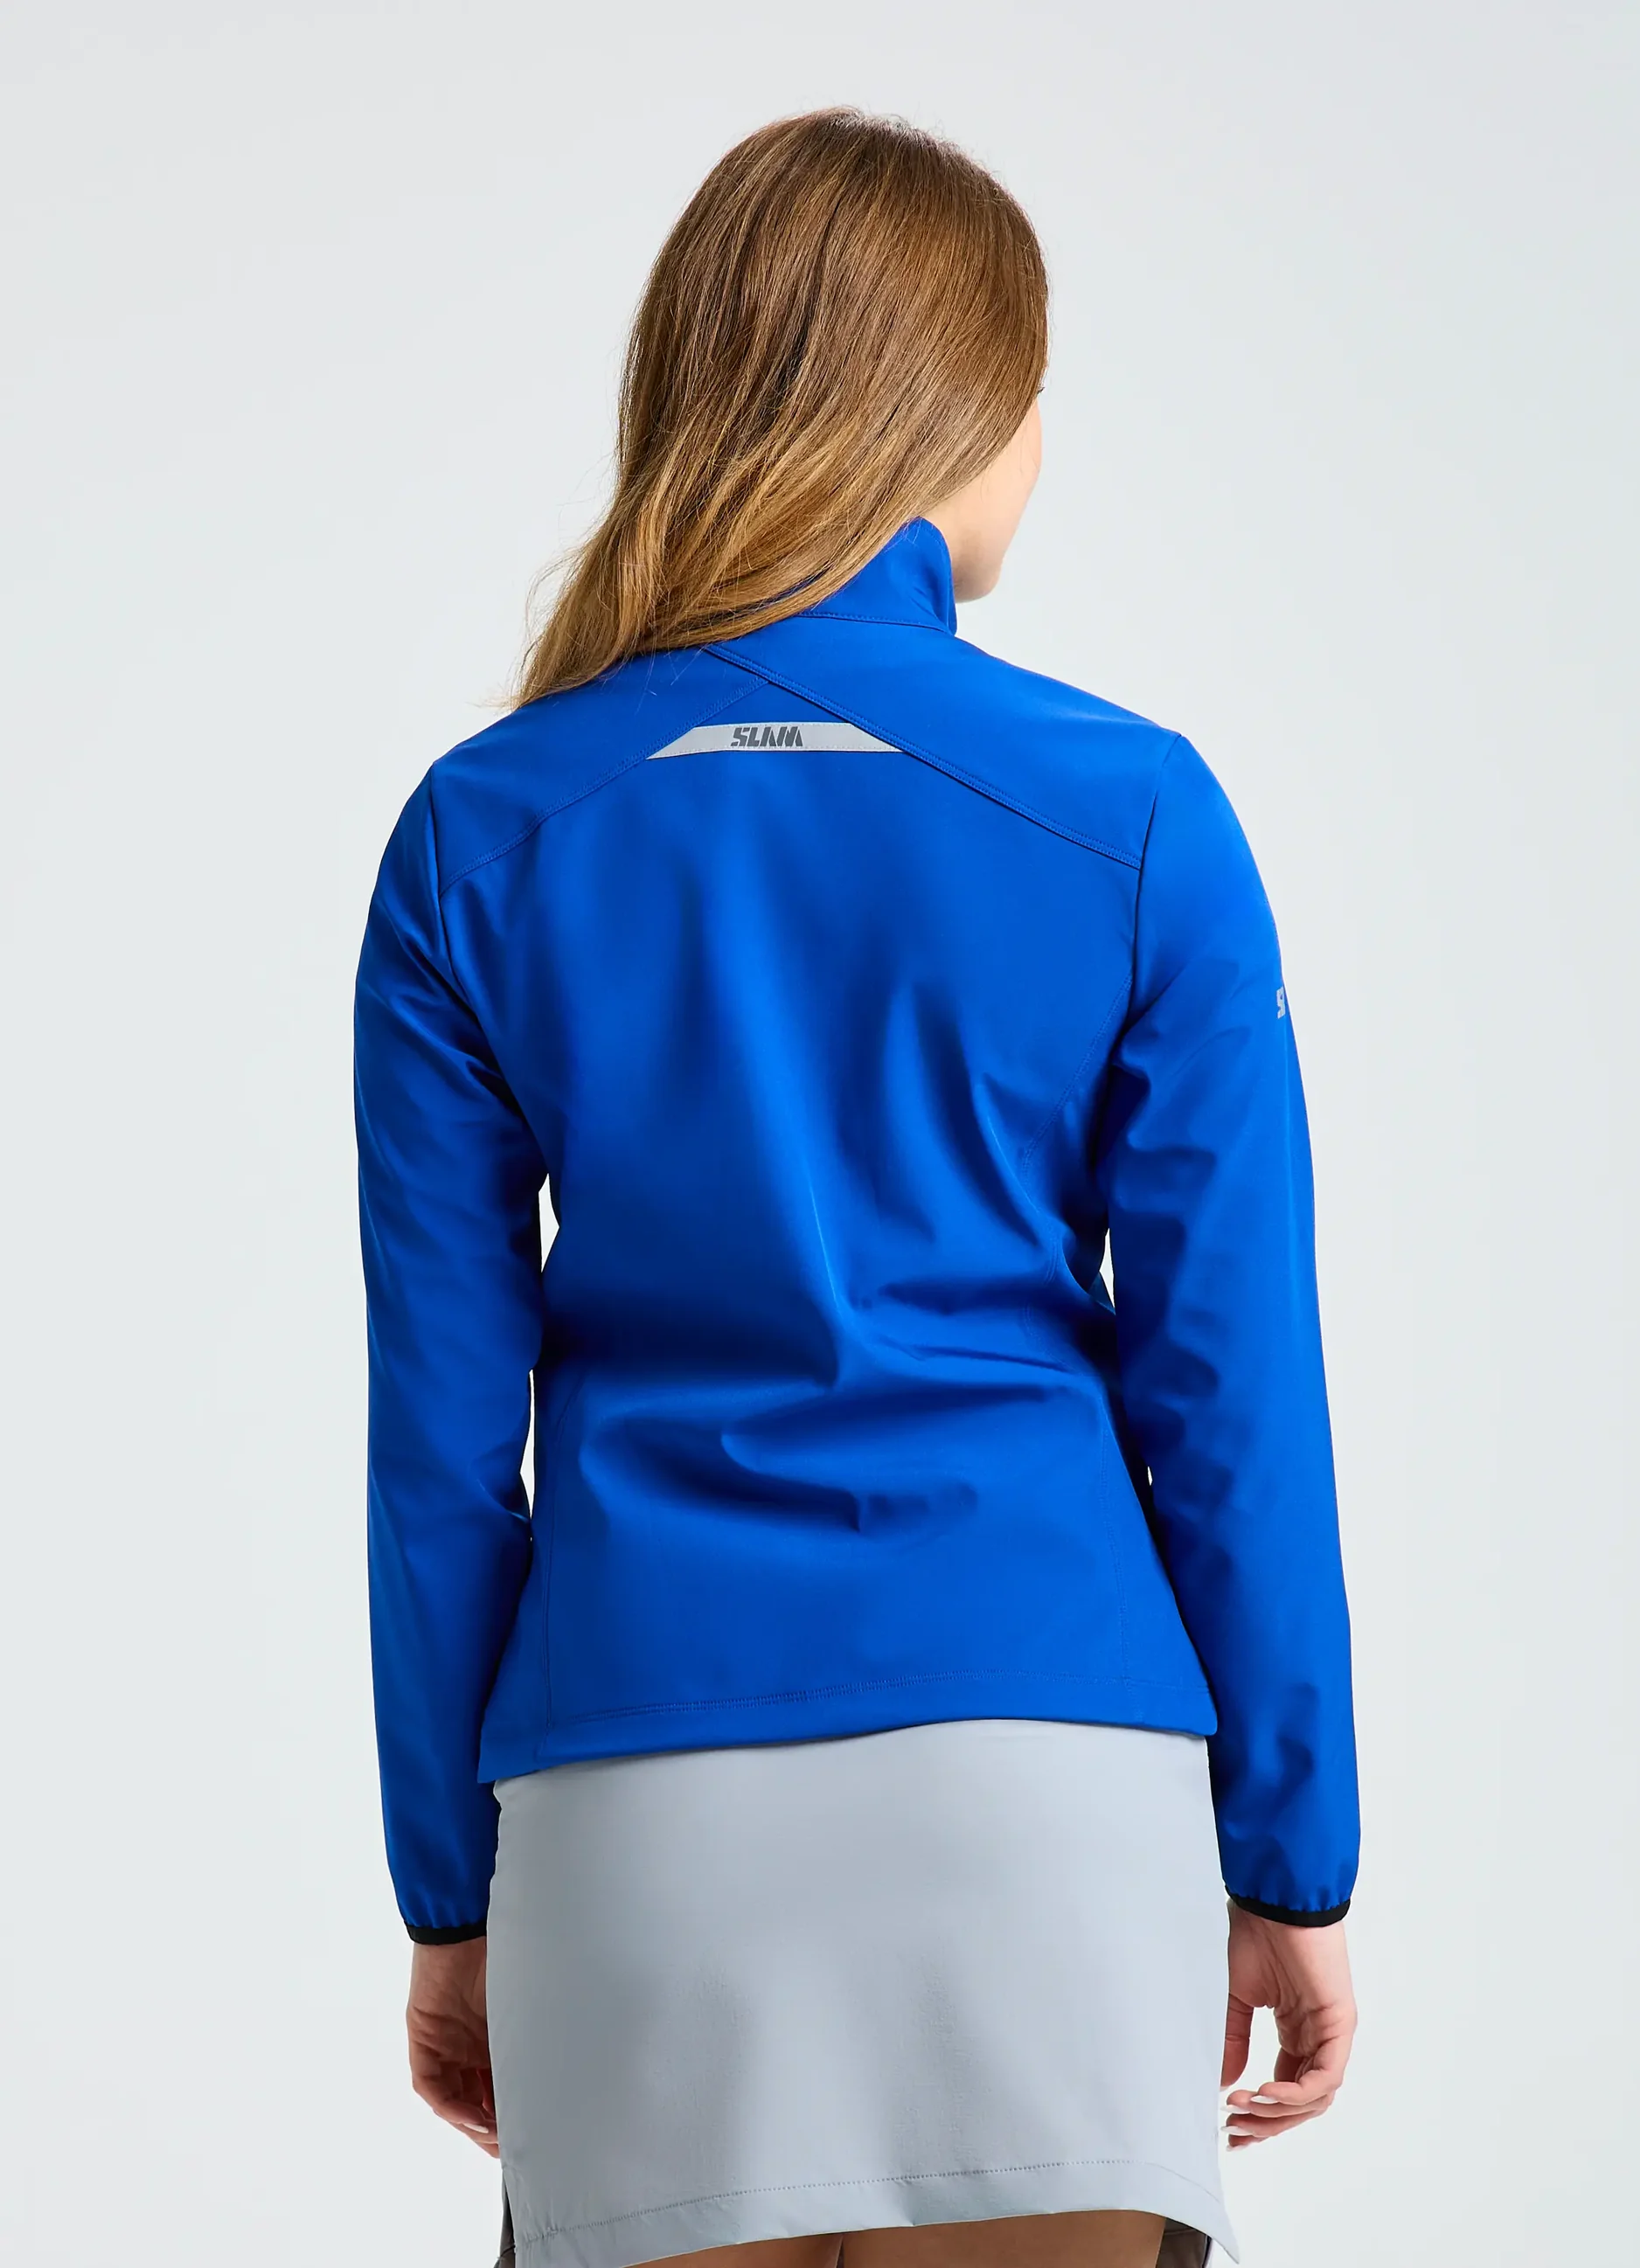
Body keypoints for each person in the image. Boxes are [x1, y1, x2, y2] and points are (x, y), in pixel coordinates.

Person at [355, 108, 1359, 2268]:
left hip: (639, 1793)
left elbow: (440, 1448)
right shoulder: (1134, 810)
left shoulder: (481, 828)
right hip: (1051, 1778)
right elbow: (1230, 1390)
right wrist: (1295, 1853)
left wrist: (450, 1889)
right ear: (954, 409)